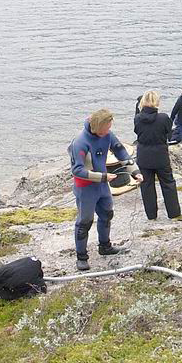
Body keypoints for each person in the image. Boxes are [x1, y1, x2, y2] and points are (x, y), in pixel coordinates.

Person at [69, 109, 143, 271]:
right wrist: (103, 176)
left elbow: (120, 151)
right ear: (97, 127)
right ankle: (81, 257)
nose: (108, 131)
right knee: (84, 222)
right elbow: (77, 170)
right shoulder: (80, 142)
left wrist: (135, 171)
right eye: (106, 129)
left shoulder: (107, 135)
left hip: (102, 186)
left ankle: (105, 246)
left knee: (107, 214)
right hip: (86, 188)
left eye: (110, 128)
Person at [134, 90, 182, 221]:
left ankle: (151, 215)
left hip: (144, 156)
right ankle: (174, 213)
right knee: (168, 183)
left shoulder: (138, 118)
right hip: (160, 155)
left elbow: (136, 131)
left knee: (147, 186)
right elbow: (168, 131)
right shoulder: (163, 118)